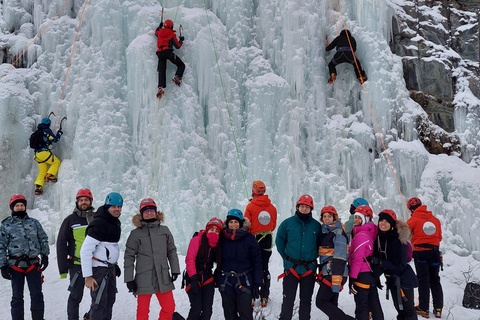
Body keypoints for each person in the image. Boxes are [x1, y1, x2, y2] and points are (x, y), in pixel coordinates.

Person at [124, 198, 180, 320]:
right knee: (143, 312)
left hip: (163, 276)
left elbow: (171, 251)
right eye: (146, 211)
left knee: (169, 308)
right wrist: (129, 279)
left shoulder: (165, 231)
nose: (149, 213)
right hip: (143, 278)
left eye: (151, 210)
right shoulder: (135, 234)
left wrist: (175, 269)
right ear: (141, 214)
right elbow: (129, 257)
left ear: (156, 212)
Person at [0, 194, 49, 320]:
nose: (20, 207)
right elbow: (1, 245)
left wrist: (45, 255)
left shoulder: (34, 223)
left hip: (33, 264)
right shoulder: (6, 225)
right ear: (12, 207)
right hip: (15, 266)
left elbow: (43, 238)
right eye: (17, 205)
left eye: (22, 205)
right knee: (17, 297)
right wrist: (3, 265)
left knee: (37, 295)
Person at [276, 194, 321, 320]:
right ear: (297, 207)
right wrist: (286, 257)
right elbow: (279, 241)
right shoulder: (287, 224)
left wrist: (312, 256)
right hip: (291, 268)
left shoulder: (316, 226)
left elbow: (320, 244)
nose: (304, 209)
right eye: (302, 206)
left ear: (311, 208)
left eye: (307, 206)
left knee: (306, 300)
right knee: (288, 299)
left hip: (309, 268)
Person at [80, 192, 123, 320]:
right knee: (99, 303)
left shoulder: (114, 222)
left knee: (110, 300)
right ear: (107, 206)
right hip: (99, 269)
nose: (117, 209)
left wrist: (114, 263)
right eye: (114, 206)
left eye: (119, 207)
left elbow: (109, 246)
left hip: (109, 268)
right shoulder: (99, 222)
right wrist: (87, 275)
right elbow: (86, 250)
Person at [214, 209, 262, 320]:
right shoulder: (221, 238)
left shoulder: (249, 238)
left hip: (244, 280)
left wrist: (257, 282)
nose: (233, 225)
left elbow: (257, 261)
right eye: (231, 222)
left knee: (245, 313)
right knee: (229, 314)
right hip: (226, 281)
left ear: (240, 223)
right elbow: (213, 253)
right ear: (227, 223)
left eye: (236, 222)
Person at [370, 210, 417, 320]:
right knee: (400, 310)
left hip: (404, 279)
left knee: (408, 311)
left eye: (386, 221)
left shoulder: (399, 240)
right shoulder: (379, 238)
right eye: (381, 220)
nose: (383, 223)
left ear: (392, 224)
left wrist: (381, 262)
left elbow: (401, 265)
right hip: (392, 279)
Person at [57, 188, 95, 320]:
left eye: (86, 200)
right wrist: (63, 269)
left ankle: (90, 316)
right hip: (76, 265)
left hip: (95, 264)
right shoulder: (70, 220)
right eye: (81, 200)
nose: (84, 202)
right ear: (77, 202)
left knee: (98, 297)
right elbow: (61, 243)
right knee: (75, 297)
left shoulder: (96, 219)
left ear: (91, 201)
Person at [406, 197, 443, 318]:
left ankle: (424, 308)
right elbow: (439, 237)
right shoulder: (435, 220)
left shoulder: (413, 220)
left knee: (423, 280)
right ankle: (438, 309)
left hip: (421, 252)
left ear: (411, 209)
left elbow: (405, 235)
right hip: (435, 252)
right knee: (435, 280)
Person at [316, 206, 354, 320]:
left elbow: (340, 257)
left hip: (335, 273)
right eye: (324, 216)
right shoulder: (327, 231)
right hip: (330, 272)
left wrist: (336, 280)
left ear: (334, 218)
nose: (327, 219)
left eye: (329, 216)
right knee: (332, 305)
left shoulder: (338, 233)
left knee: (321, 301)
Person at [244, 180, 277, 307]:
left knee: (251, 266)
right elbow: (273, 226)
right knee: (264, 267)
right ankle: (264, 296)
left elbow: (246, 225)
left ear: (253, 191)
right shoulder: (272, 207)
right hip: (267, 238)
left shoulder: (250, 207)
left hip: (253, 239)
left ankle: (252, 296)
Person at [184, 217, 223, 320]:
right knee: (196, 309)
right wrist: (193, 279)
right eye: (211, 230)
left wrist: (217, 276)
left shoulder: (217, 245)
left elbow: (219, 262)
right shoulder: (197, 240)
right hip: (193, 277)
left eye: (216, 231)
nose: (213, 232)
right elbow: (190, 259)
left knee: (207, 312)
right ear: (207, 229)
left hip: (207, 278)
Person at [349, 205, 383, 320]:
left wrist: (352, 278)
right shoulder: (371, 232)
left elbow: (357, 260)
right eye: (356, 218)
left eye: (360, 218)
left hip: (362, 274)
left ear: (366, 219)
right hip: (371, 273)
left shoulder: (361, 236)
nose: (357, 220)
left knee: (361, 306)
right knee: (374, 304)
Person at [155, 18, 185, 99]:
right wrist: (181, 40)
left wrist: (159, 26)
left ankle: (161, 87)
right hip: (168, 52)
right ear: (171, 27)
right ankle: (177, 77)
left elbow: (156, 32)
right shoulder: (172, 34)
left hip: (160, 53)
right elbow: (177, 46)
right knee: (181, 65)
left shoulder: (160, 32)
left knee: (162, 70)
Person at [32, 117, 63, 195]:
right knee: (56, 162)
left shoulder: (37, 132)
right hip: (43, 153)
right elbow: (55, 139)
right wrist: (59, 133)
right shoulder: (46, 131)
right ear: (48, 124)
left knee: (42, 171)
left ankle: (38, 188)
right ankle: (49, 175)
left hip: (37, 155)